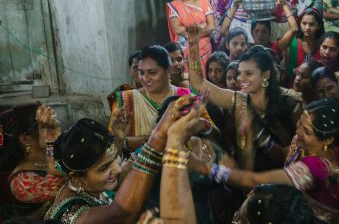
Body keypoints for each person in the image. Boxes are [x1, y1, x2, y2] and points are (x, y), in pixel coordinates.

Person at [186, 98, 339, 222]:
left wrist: (204, 168)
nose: (299, 132)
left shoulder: (315, 166)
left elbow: (254, 180)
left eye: (307, 131)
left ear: (327, 140)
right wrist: (254, 132)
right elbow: (281, 155)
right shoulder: (304, 145)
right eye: (300, 124)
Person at [45, 95, 199, 224]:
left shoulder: (91, 185)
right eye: (104, 168)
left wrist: (119, 140)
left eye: (116, 158)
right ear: (77, 179)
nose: (118, 169)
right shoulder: (71, 213)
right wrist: (157, 138)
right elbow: (119, 214)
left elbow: (125, 172)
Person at [187, 31, 302, 171]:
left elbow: (294, 154)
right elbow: (198, 83)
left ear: (265, 75)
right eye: (240, 73)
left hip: (281, 180)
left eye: (248, 73)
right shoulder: (239, 99)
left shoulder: (290, 102)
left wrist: (258, 134)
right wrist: (193, 47)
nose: (240, 79)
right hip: (246, 183)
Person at [108, 45, 190, 152]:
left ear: (168, 70)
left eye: (152, 72)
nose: (145, 78)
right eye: (141, 72)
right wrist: (122, 140)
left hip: (178, 165)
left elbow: (209, 135)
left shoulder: (184, 95)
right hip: (135, 165)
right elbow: (112, 146)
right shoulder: (126, 99)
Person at [0, 104, 64, 219]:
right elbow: (72, 183)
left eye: (52, 122)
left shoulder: (48, 157)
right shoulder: (21, 182)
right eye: (44, 126)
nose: (53, 126)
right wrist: (52, 142)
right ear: (26, 139)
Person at [167, 0, 215, 75]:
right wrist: (200, 26)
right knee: (187, 80)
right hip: (184, 50)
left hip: (203, 49)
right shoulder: (175, 5)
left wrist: (195, 35)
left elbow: (211, 26)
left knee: (205, 80)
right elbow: (176, 29)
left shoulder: (204, 2)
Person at [278, 8, 324, 85]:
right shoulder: (292, 44)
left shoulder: (323, 46)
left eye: (311, 24)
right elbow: (287, 73)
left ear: (318, 26)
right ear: (300, 24)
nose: (307, 28)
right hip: (294, 89)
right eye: (304, 23)